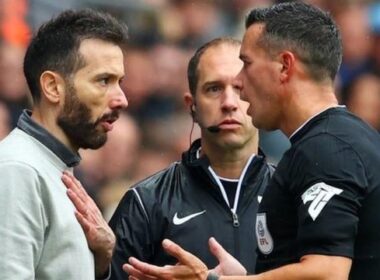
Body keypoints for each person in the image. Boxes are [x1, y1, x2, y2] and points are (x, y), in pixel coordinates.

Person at [124, 2, 380, 280]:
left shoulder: (328, 148)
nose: (240, 82)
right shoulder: (341, 139)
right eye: (213, 88)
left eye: (246, 64)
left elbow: (327, 274)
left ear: (285, 66)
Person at [63, 37, 274, 279]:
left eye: (239, 88)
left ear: (263, 96)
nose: (228, 103)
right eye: (214, 89)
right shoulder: (147, 202)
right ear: (191, 105)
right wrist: (101, 264)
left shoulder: (293, 196)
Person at [0, 9, 128, 279]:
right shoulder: (18, 169)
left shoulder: (52, 165)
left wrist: (102, 263)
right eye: (104, 81)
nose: (121, 99)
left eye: (120, 82)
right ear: (52, 87)